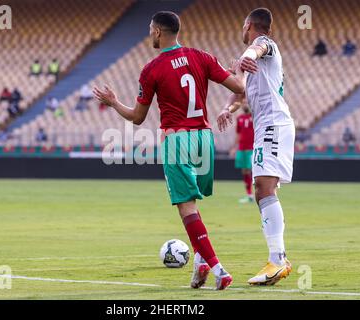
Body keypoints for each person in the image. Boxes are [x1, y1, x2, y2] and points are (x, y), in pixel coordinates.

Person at [94, 11, 249, 290]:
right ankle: (200, 264)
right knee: (193, 204)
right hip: (203, 138)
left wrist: (114, 103)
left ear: (157, 32)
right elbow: (239, 88)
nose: (149, 34)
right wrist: (239, 68)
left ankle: (218, 269)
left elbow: (138, 117)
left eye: (150, 29)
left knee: (186, 207)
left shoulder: (152, 69)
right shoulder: (202, 56)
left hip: (177, 140)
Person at [217, 8, 294, 286]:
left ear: (248, 24)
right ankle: (278, 258)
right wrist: (228, 108)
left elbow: (256, 49)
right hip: (268, 127)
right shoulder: (254, 67)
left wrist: (246, 57)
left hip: (273, 125)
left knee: (263, 188)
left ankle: (278, 259)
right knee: (263, 190)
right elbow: (240, 92)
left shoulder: (264, 45)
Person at [229, 103, 254, 204]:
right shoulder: (239, 118)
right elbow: (238, 134)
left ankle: (258, 193)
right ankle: (249, 195)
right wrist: (234, 147)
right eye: (243, 103)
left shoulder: (255, 117)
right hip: (242, 148)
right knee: (245, 171)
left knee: (252, 170)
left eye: (247, 103)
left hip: (252, 147)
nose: (245, 105)